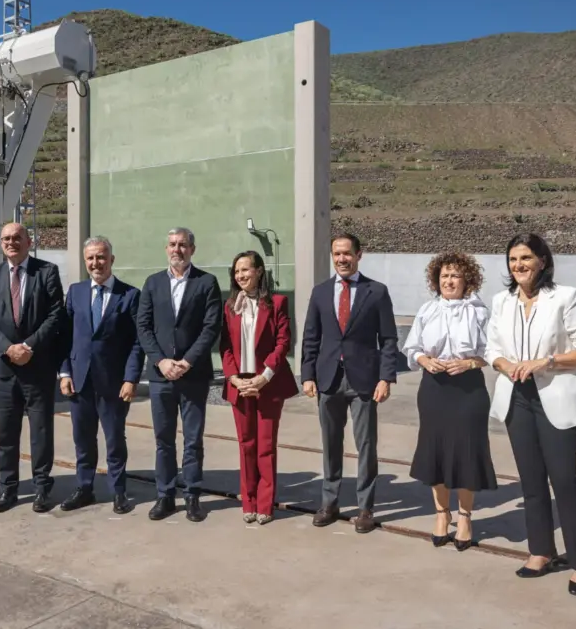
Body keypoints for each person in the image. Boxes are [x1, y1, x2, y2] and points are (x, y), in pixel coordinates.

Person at [485, 232, 576, 597]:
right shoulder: (501, 301)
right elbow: (491, 348)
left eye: (526, 258)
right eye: (513, 259)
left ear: (543, 262)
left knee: (565, 481)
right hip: (516, 397)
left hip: (557, 397)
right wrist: (505, 365)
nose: (518, 265)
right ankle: (541, 550)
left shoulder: (565, 297)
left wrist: (546, 362)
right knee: (531, 481)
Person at [301, 232, 398, 534]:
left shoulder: (376, 292)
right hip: (328, 378)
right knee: (331, 444)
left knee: (366, 445)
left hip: (364, 381)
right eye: (336, 254)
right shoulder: (320, 292)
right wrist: (307, 375)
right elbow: (311, 337)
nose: (341, 259)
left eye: (346, 253)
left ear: (359, 255)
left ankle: (365, 507)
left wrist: (386, 377)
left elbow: (389, 338)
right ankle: (329, 502)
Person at [402, 251, 497, 551]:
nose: (449, 280)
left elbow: (493, 351)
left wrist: (470, 363)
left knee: (467, 451)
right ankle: (442, 514)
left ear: (467, 279)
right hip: (434, 387)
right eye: (444, 276)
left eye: (455, 275)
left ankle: (465, 517)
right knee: (436, 451)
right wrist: (424, 360)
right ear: (436, 280)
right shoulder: (427, 310)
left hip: (468, 389)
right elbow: (412, 347)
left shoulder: (480, 312)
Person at [0, 222, 69, 514]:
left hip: (37, 366)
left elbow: (56, 315)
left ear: (29, 241)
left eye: (17, 237)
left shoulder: (47, 272)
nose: (11, 242)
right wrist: (8, 348)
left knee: (41, 431)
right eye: (6, 238)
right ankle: (8, 489)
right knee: (5, 433)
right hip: (5, 369)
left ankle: (42, 487)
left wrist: (28, 346)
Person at [136, 227, 222, 522]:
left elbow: (211, 327)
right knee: (163, 440)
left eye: (183, 245)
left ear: (192, 250)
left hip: (193, 375)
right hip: (161, 378)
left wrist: (186, 361)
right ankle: (165, 495)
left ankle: (193, 495)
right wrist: (160, 362)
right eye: (172, 245)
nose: (177, 250)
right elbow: (143, 327)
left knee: (193, 439)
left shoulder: (207, 283)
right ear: (166, 249)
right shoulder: (152, 283)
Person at [58, 236, 145, 515]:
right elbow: (64, 337)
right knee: (83, 440)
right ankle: (85, 488)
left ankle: (118, 491)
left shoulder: (130, 295)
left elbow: (136, 343)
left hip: (114, 384)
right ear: (85, 261)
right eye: (91, 258)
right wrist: (64, 372)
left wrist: (131, 379)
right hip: (80, 381)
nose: (96, 263)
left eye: (101, 257)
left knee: (115, 440)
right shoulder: (75, 292)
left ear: (112, 259)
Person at [219, 250, 297, 525]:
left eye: (246, 270)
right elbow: (226, 346)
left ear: (260, 271)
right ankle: (248, 502)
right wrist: (234, 378)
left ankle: (265, 504)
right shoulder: (230, 306)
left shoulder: (277, 302)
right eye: (237, 271)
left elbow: (282, 342)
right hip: (240, 384)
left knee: (265, 445)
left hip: (268, 382)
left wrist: (264, 377)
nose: (241, 275)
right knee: (246, 445)